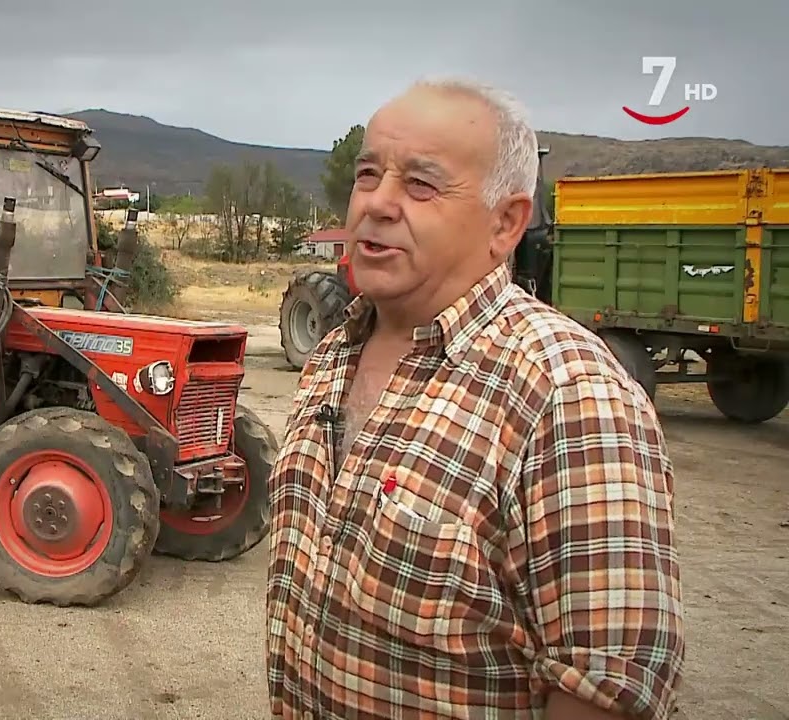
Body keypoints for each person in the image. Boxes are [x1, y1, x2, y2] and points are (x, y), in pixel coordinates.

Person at [265, 77, 684, 719]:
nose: (377, 203)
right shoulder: (331, 355)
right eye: (368, 174)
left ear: (506, 223)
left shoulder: (569, 397)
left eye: (421, 184)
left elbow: (602, 688)